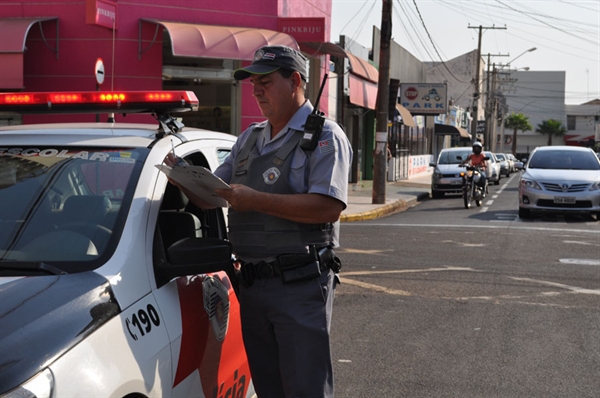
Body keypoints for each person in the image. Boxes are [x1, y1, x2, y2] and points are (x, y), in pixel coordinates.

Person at [166, 44, 352, 397]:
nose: (256, 90)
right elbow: (211, 195)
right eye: (253, 84)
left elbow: (328, 207)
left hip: (298, 284)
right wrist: (183, 178)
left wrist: (255, 201)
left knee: (304, 390)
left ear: (295, 80)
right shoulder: (249, 138)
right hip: (251, 286)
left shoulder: (326, 136)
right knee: (269, 389)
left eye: (265, 81)